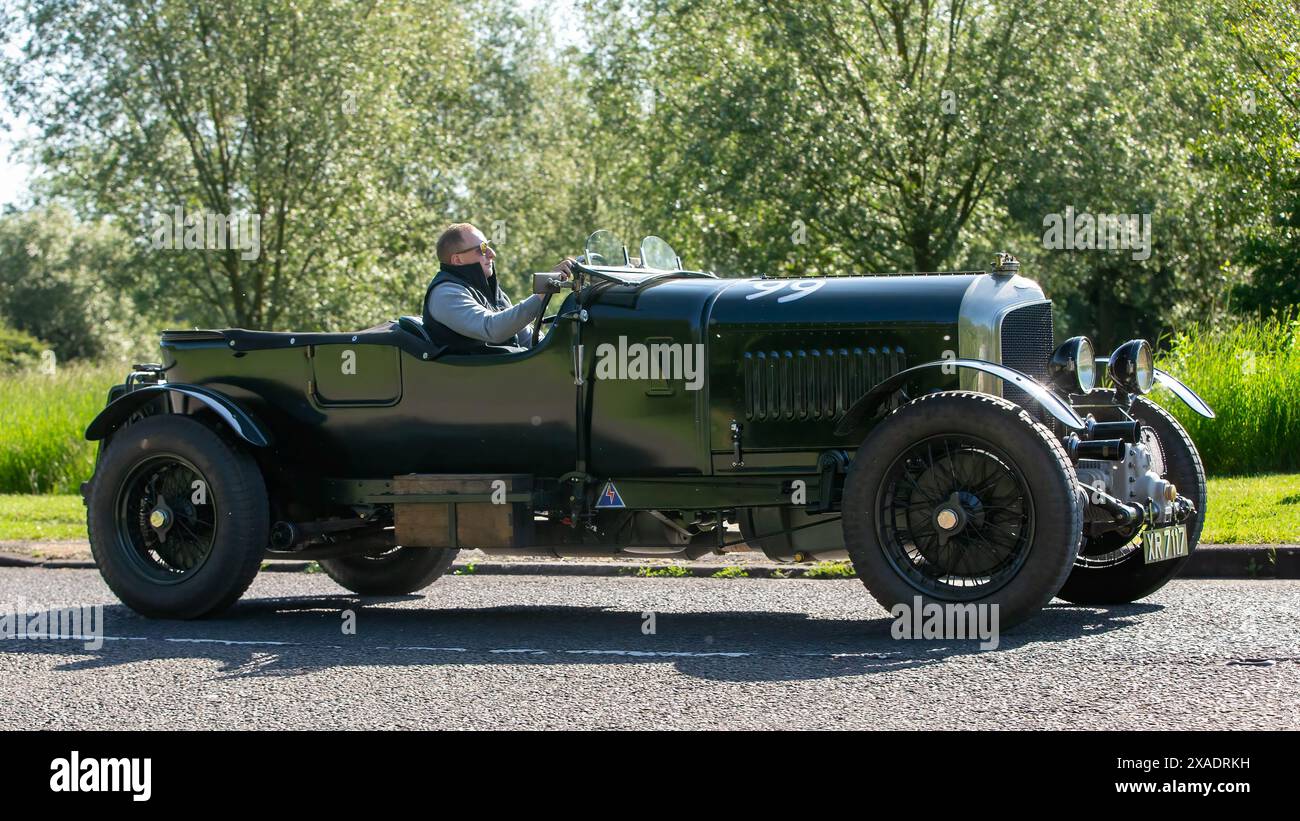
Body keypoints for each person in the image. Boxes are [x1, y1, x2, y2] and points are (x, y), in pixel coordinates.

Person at [422, 223, 573, 354]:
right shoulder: (445, 293)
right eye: (482, 249)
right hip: (473, 382)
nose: (492, 254)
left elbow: (526, 337)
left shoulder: (488, 289)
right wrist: (545, 288)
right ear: (458, 260)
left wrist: (560, 348)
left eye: (488, 246)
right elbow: (492, 328)